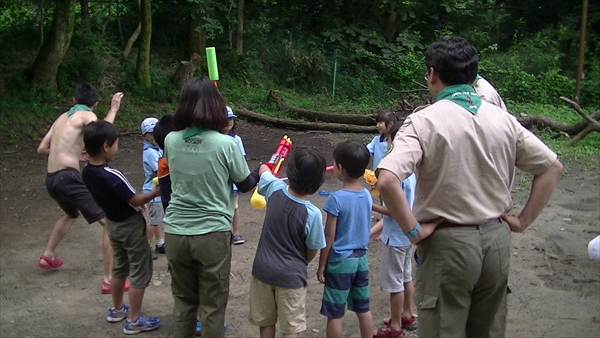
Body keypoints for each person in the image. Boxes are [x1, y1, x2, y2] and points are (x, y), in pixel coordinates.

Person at [376, 37, 563, 337]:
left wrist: (412, 231)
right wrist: (522, 221)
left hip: (447, 245)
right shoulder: (503, 119)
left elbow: (386, 179)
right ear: (474, 76)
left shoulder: (423, 121)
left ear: (433, 74)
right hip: (496, 242)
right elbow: (551, 167)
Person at [163, 77, 260, 338]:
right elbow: (245, 183)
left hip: (174, 231)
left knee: (183, 302)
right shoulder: (225, 144)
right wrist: (261, 172)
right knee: (213, 305)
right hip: (212, 233)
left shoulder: (170, 140)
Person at [36, 83, 129, 295]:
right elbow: (101, 134)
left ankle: (48, 255)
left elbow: (41, 149)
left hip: (52, 178)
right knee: (109, 221)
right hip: (68, 177)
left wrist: (73, 153)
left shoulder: (61, 118)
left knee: (70, 213)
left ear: (73, 100)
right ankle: (109, 279)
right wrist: (114, 109)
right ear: (94, 105)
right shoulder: (86, 115)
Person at [81, 120, 162, 334]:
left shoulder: (87, 172)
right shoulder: (112, 174)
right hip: (130, 226)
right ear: (106, 146)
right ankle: (135, 320)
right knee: (140, 270)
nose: (118, 147)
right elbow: (134, 199)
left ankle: (117, 309)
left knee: (119, 267)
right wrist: (154, 194)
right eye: (116, 143)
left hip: (112, 224)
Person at [249, 147, 327, 338]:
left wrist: (264, 167)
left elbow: (264, 172)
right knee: (291, 327)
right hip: (291, 277)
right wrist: (300, 262)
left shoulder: (275, 189)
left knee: (266, 321)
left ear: (290, 172)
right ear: (318, 181)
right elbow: (312, 249)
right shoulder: (312, 214)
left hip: (262, 270)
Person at [317, 140, 374, 338]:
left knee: (335, 313)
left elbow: (329, 235)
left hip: (340, 261)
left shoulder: (336, 198)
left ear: (339, 168)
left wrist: (321, 264)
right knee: (363, 308)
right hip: (361, 259)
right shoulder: (367, 195)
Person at [369, 122, 417, 337]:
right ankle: (407, 314)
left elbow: (395, 209)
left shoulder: (396, 174)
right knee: (406, 276)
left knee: (395, 283)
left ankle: (396, 326)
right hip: (408, 234)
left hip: (397, 237)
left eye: (389, 140)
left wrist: (371, 204)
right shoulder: (412, 169)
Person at [366, 110, 399, 239]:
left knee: (389, 204)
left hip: (389, 177)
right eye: (377, 122)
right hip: (377, 178)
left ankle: (386, 228)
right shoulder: (376, 140)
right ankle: (383, 223)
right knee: (382, 202)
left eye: (380, 122)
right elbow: (367, 151)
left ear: (390, 124)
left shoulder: (395, 143)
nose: (378, 125)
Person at [140, 117, 165, 259]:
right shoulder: (150, 152)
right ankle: (146, 247)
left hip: (159, 191)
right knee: (154, 220)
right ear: (144, 136)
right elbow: (160, 170)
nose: (155, 135)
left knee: (159, 218)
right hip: (153, 191)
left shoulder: (158, 148)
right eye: (151, 133)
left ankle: (160, 243)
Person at [223, 106, 246, 245]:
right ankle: (225, 232)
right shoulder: (216, 139)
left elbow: (241, 159)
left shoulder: (236, 139)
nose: (229, 122)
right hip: (221, 180)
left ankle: (236, 232)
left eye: (231, 119)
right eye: (226, 119)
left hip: (233, 180)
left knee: (234, 206)